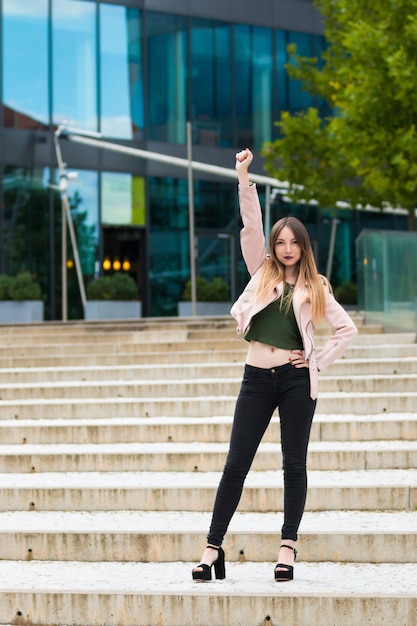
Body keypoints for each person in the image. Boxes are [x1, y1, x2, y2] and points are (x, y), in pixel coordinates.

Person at [191, 148, 358, 583]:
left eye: (293, 242)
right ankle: (212, 549)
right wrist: (244, 178)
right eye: (280, 242)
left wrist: (316, 360)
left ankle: (288, 547)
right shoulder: (260, 273)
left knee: (294, 465)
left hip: (295, 381)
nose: (285, 249)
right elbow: (251, 226)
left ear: (303, 247)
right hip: (255, 379)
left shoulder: (315, 287)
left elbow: (347, 331)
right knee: (236, 463)